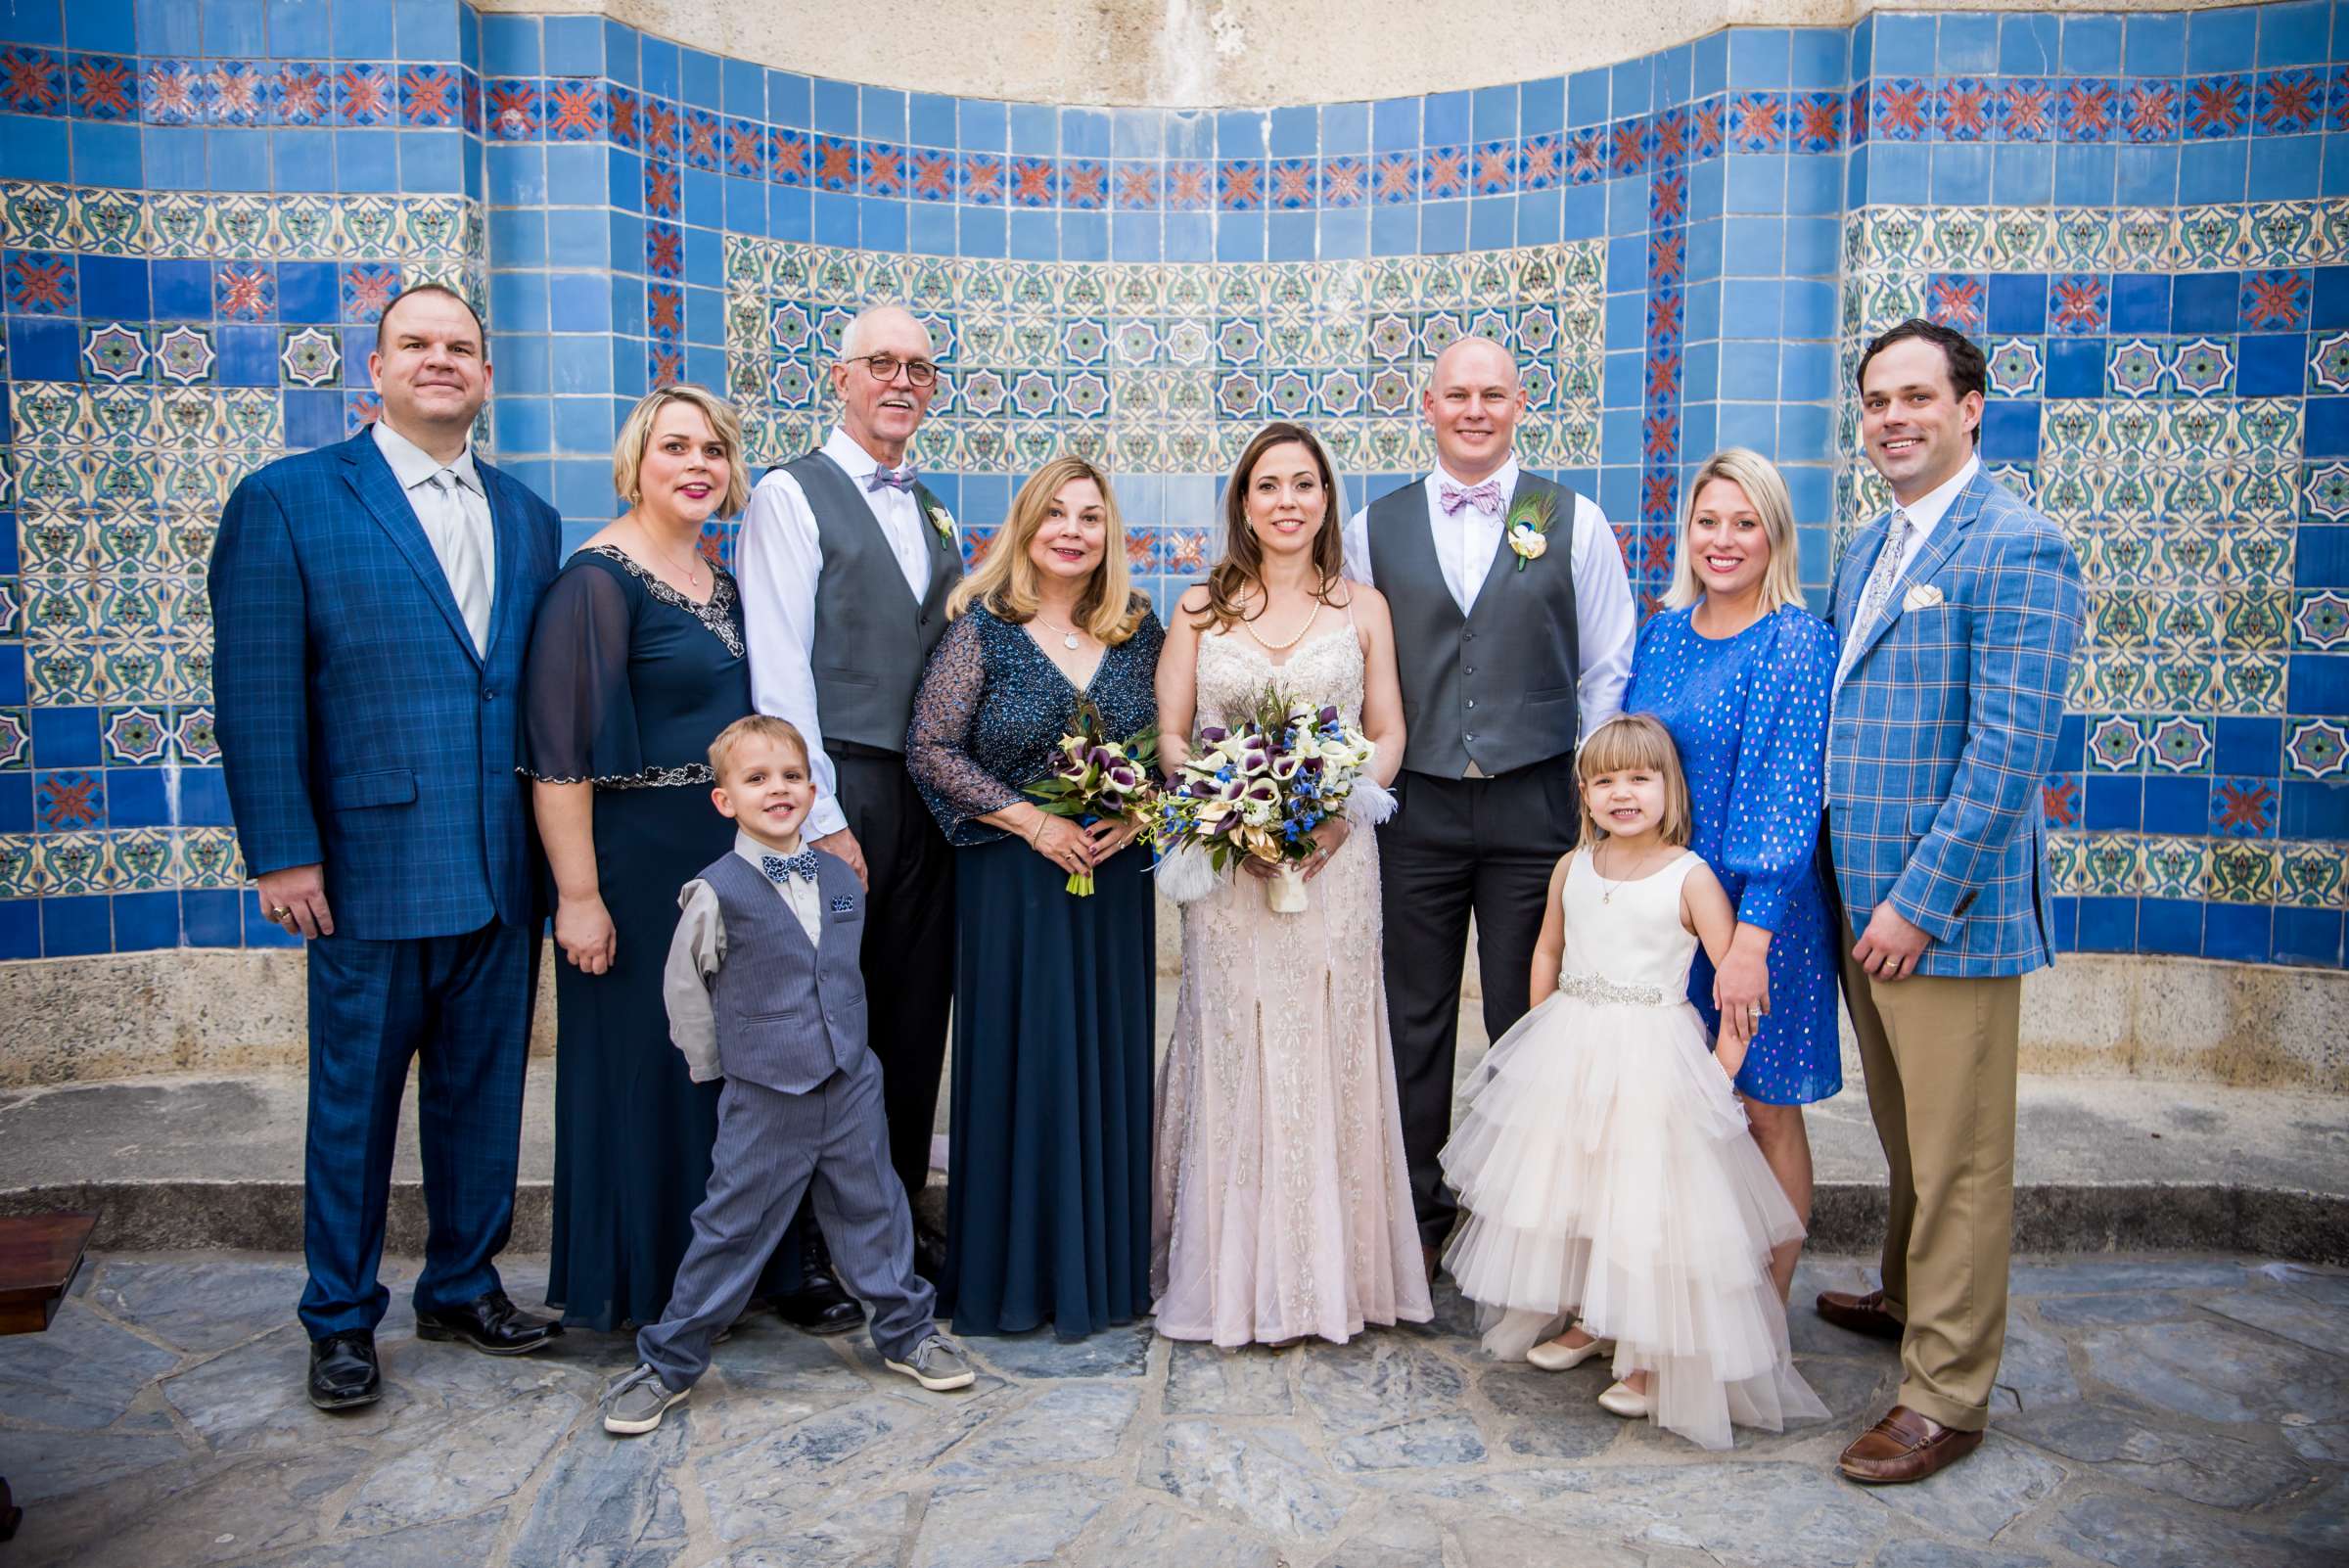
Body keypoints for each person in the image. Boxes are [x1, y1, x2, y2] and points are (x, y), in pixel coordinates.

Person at [210, 283, 564, 1410]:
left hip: (503, 865)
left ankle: (461, 1284)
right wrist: (282, 851)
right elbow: (256, 691)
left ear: (487, 375)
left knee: (484, 1094)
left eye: (461, 346)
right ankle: (339, 1316)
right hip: (362, 868)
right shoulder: (289, 501)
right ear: (376, 370)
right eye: (416, 344)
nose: (440, 361)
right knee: (355, 1105)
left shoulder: (528, 517)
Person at [1815, 318, 2084, 1484]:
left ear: (1970, 406)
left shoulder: (2018, 546)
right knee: (1907, 1133)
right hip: (1855, 902)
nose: (1893, 419)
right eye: (1877, 401)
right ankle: (1911, 1295)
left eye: (1917, 397)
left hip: (1942, 914)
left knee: (1963, 1155)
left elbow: (2009, 752)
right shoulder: (1871, 544)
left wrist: (1919, 902)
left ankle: (1947, 1390)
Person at [1440, 715, 1826, 1452]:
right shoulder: (1573, 866)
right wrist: (1542, 1030)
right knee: (1584, 1186)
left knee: (1649, 1203)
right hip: (1576, 1046)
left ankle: (1650, 1347)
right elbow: (1548, 947)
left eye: (1640, 778)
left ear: (1668, 789)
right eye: (1605, 779)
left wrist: (1721, 1077)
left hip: (1657, 1055)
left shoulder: (1691, 876)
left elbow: (1737, 988)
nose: (1623, 793)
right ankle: (1594, 1315)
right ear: (1583, 794)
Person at [1341, 335, 1637, 1276]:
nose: (1475, 410)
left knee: (1529, 1015)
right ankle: (1415, 1218)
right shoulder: (1368, 526)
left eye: (1493, 395)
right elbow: (1350, 669)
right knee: (1410, 1014)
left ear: (1520, 405)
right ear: (1426, 406)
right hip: (1412, 808)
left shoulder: (1575, 519)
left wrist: (1589, 799)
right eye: (1456, 395)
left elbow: (1606, 666)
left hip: (1535, 811)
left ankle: (1520, 1221)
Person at [523, 385, 815, 1331]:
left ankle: (732, 1276)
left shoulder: (720, 583)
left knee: (726, 1069)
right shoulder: (595, 583)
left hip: (725, 858)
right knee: (647, 1066)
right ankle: (646, 1282)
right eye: (675, 448)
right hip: (637, 866)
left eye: (714, 452)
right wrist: (578, 896)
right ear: (635, 463)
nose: (697, 466)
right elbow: (559, 757)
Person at [602, 715, 975, 1436]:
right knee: (732, 1227)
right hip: (766, 1092)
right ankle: (670, 1360)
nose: (778, 790)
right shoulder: (714, 891)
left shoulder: (840, 875)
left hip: (849, 1081)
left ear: (813, 789)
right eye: (757, 779)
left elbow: (838, 969)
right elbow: (687, 988)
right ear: (725, 800)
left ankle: (907, 1332)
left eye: (792, 776)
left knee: (876, 1209)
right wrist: (720, 1070)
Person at [1152, 421, 1431, 1347]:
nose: (1286, 501)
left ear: (1326, 500)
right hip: (1233, 871)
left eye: (1304, 484)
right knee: (1235, 1039)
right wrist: (1231, 811)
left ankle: (1331, 1280)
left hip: (1338, 862)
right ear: (1242, 502)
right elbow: (1174, 734)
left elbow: (1387, 727)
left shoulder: (1364, 608)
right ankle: (1230, 1279)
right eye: (1267, 485)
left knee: (1330, 1039)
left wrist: (1343, 812)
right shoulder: (1198, 611)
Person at [904, 456, 1163, 1338]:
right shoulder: (984, 630)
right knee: (1027, 1062)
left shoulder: (1138, 629)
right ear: (1026, 525)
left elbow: (1173, 746)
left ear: (1109, 535)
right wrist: (1032, 823)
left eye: (1090, 517)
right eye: (1055, 514)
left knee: (1103, 1061)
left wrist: (1141, 817)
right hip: (1013, 879)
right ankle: (1013, 1275)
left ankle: (1104, 1273)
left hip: (1113, 879)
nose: (1072, 531)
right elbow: (933, 747)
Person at [738, 304, 962, 1284]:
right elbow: (779, 666)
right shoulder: (791, 495)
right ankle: (817, 1248)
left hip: (929, 793)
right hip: (845, 785)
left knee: (914, 1015)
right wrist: (819, 816)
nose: (901, 380)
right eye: (881, 363)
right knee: (831, 1019)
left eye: (919, 367)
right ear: (840, 379)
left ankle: (894, 1216)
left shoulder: (934, 509)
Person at [1624, 448, 1840, 1303]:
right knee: (1675, 1110)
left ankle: (1762, 1304)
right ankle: (1677, 1300)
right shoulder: (1665, 634)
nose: (1724, 540)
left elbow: (1788, 799)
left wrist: (1750, 942)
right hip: (1668, 913)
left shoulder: (1795, 642)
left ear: (1774, 535)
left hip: (1761, 916)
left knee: (1760, 1103)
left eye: (1744, 522)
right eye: (1708, 521)